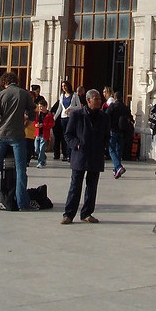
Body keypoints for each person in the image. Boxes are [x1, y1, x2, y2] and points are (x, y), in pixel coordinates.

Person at [0, 71, 36, 212]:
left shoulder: (0, 95)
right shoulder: (24, 93)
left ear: (4, 82)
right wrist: (25, 125)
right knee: (21, 169)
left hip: (2, 134)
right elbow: (32, 113)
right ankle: (22, 203)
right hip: (18, 135)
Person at [61, 88, 109, 224]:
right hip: (80, 155)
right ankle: (68, 214)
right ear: (88, 101)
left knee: (92, 186)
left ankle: (87, 213)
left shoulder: (104, 116)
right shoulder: (77, 115)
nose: (99, 101)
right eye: (96, 99)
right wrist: (76, 144)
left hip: (96, 154)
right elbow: (68, 134)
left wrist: (104, 146)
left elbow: (107, 135)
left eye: (100, 98)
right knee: (75, 185)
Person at [105, 90, 129, 178]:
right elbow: (129, 117)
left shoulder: (113, 106)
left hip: (113, 130)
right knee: (118, 150)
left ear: (115, 98)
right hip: (122, 131)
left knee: (111, 149)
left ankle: (118, 166)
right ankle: (116, 170)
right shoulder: (125, 107)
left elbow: (106, 115)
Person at [51, 79, 74, 160]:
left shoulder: (74, 95)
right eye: (62, 86)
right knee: (64, 136)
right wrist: (54, 118)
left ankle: (69, 154)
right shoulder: (62, 96)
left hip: (71, 118)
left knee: (69, 136)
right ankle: (66, 154)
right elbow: (59, 108)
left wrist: (71, 108)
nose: (64, 87)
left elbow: (78, 107)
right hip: (63, 118)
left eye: (65, 86)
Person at [34, 97, 55, 168]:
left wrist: (43, 125)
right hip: (37, 133)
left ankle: (41, 162)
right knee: (36, 149)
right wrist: (36, 125)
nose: (40, 108)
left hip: (44, 134)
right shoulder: (37, 114)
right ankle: (43, 157)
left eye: (41, 107)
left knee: (42, 148)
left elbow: (52, 124)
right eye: (39, 107)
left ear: (45, 106)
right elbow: (34, 121)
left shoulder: (49, 115)